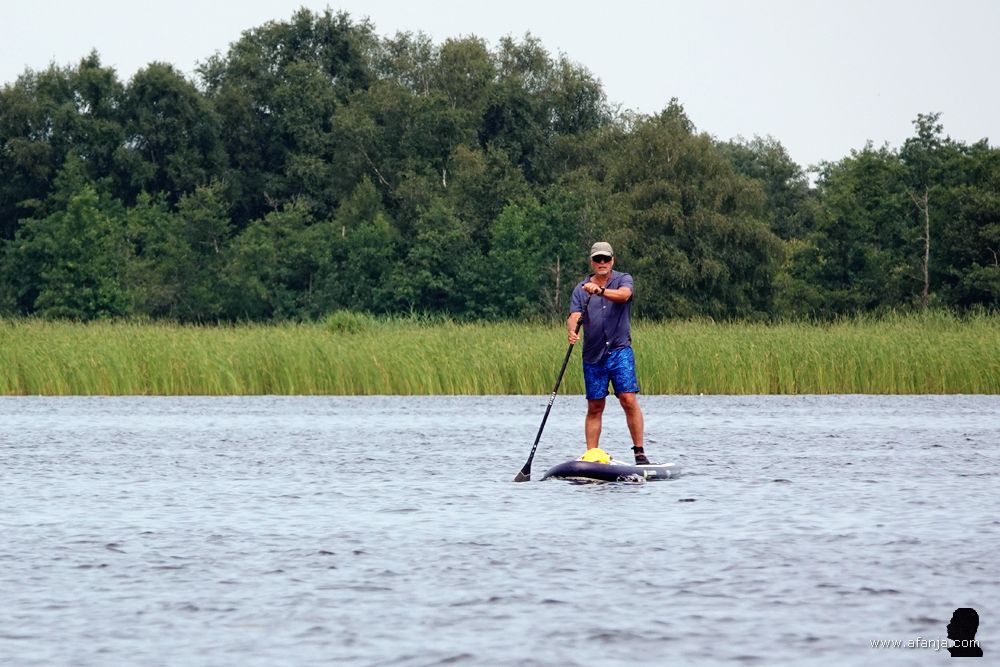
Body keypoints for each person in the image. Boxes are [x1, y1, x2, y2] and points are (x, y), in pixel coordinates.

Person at [567, 241, 650, 465]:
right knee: (595, 405)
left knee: (627, 398)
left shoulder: (623, 279)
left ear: (612, 260)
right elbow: (574, 315)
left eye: (605, 259)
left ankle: (639, 453)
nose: (601, 263)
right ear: (592, 262)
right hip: (593, 355)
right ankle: (592, 455)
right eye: (597, 259)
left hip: (619, 350)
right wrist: (572, 331)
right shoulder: (580, 288)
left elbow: (624, 296)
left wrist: (601, 291)